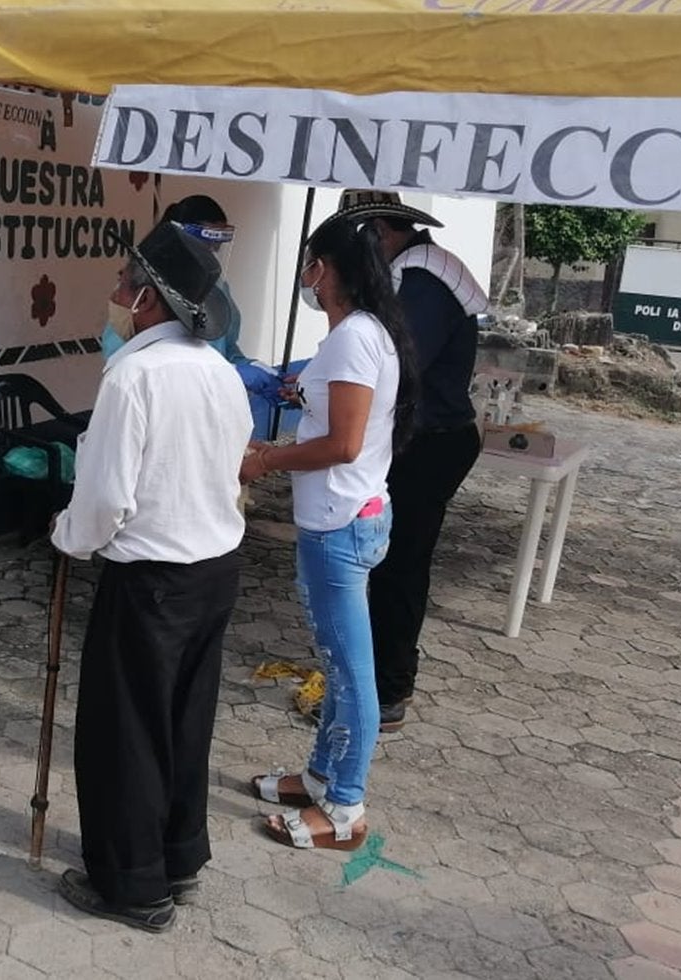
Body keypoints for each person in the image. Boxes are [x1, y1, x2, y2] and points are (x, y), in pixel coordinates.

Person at [52, 221, 251, 932]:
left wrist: (68, 537)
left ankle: (134, 886)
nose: (114, 292)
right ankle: (177, 856)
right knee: (184, 720)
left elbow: (106, 497)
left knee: (127, 731)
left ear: (149, 298)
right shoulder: (219, 371)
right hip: (214, 571)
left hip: (153, 580)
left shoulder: (133, 376)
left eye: (122, 281)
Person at [240, 206, 418, 851]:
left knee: (348, 673)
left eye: (309, 267)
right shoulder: (364, 331)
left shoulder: (354, 337)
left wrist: (266, 459)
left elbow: (344, 443)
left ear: (326, 270)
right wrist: (296, 393)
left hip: (340, 523)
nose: (305, 279)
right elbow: (342, 416)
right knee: (337, 663)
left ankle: (344, 809)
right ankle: (319, 775)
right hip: (348, 516)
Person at [354, 191, 488, 731]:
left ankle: (389, 690)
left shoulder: (425, 279)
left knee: (399, 568)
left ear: (381, 232)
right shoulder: (414, 269)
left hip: (431, 443)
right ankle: (382, 679)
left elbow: (398, 366)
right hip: (423, 437)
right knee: (391, 564)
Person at [100, 194, 305, 407]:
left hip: (210, 399)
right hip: (162, 401)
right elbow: (125, 356)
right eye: (206, 245)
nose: (211, 254)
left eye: (216, 247)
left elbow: (225, 348)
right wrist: (227, 373)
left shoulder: (215, 291)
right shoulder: (140, 291)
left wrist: (248, 366)